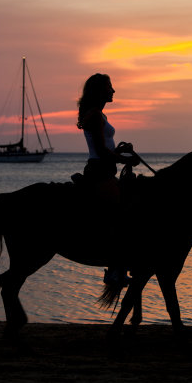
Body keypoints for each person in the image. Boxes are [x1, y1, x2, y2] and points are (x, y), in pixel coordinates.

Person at [76, 73, 139, 289]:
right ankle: (114, 271)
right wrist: (122, 158)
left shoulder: (98, 114)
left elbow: (106, 146)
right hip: (99, 172)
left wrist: (120, 151)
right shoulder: (94, 115)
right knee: (121, 215)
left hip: (104, 170)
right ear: (100, 91)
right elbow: (101, 150)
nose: (113, 91)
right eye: (109, 87)